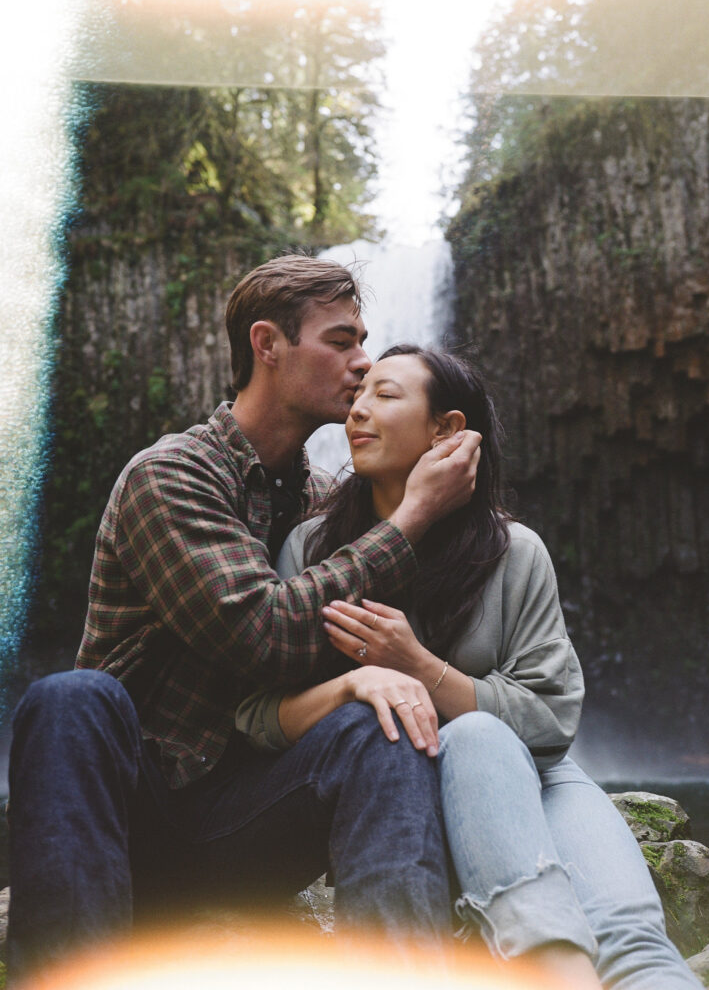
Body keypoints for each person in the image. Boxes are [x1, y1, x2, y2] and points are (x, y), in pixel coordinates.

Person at [6, 258, 483, 983]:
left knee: (384, 721)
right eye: (340, 341)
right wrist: (415, 514)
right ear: (268, 344)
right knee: (72, 698)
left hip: (258, 817)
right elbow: (263, 635)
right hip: (133, 820)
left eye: (365, 343)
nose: (362, 365)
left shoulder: (331, 507)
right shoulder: (170, 476)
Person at [236, 344, 702, 990]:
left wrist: (418, 665)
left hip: (539, 785)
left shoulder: (514, 552)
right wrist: (354, 682)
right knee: (477, 732)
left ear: (447, 430)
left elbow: (551, 720)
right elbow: (255, 716)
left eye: (386, 396)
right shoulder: (314, 550)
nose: (357, 412)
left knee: (633, 941)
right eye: (359, 393)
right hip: (398, 808)